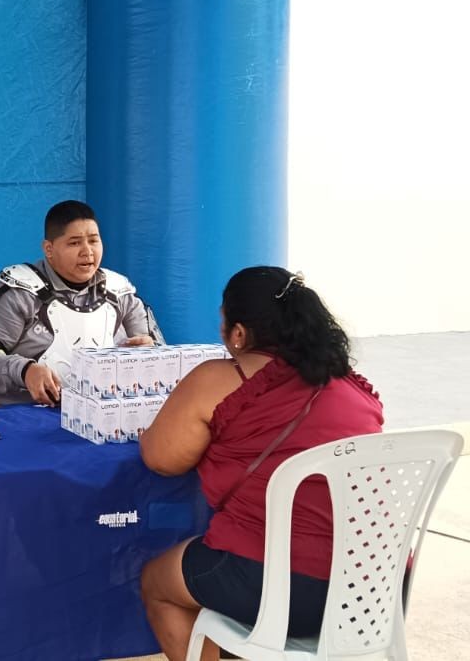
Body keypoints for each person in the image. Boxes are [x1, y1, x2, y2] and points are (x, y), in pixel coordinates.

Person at [137, 267, 384, 661]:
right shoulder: (352, 386)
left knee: (157, 582)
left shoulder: (221, 378)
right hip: (374, 590)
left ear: (238, 333)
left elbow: (162, 459)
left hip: (285, 589)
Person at [0, 200, 160, 410]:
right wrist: (25, 371)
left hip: (101, 414)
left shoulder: (121, 293)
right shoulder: (18, 293)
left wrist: (150, 355)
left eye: (93, 241)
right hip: (21, 415)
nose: (87, 252)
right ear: (49, 249)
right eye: (74, 243)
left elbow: (161, 356)